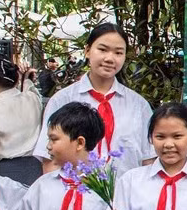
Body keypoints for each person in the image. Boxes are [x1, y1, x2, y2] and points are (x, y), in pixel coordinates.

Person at [33, 22, 153, 171]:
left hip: (126, 193)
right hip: (76, 192)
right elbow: (50, 160)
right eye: (102, 49)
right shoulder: (62, 100)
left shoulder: (138, 106)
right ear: (88, 50)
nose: (110, 58)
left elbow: (148, 160)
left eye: (118, 52)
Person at [0, 54, 43, 187]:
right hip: (36, 170)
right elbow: (29, 88)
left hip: (3, 173)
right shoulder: (33, 99)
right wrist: (27, 79)